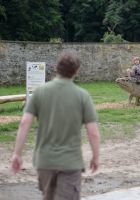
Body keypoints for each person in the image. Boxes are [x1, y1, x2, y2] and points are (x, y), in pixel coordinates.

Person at [11, 52, 100, 200]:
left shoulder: (39, 92)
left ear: (55, 68)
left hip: (44, 161)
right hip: (70, 163)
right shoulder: (82, 96)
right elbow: (93, 133)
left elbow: (24, 123)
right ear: (77, 71)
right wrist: (96, 157)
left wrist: (17, 153)